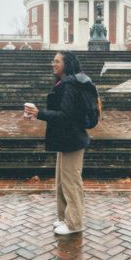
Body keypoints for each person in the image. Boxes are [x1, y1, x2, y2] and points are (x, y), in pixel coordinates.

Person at [24, 51, 90, 235]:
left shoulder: (70, 85)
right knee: (62, 182)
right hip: (65, 139)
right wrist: (38, 113)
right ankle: (64, 218)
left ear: (67, 64)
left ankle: (75, 223)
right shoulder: (64, 83)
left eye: (57, 61)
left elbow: (66, 116)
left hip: (72, 140)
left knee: (71, 183)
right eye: (53, 61)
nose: (53, 64)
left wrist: (39, 113)